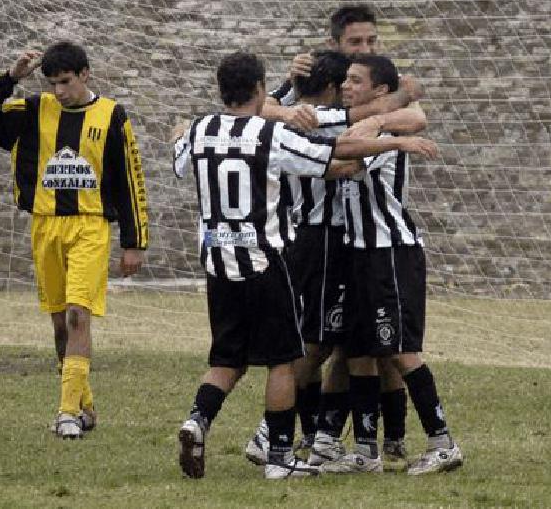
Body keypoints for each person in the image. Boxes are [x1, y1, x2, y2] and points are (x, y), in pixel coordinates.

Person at [173, 51, 438, 480]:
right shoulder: (269, 135)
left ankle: (196, 421)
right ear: (260, 90)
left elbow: (180, 158)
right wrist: (394, 141)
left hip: (217, 263)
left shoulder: (200, 131)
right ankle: (278, 454)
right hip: (267, 257)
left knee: (227, 360)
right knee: (285, 359)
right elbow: (340, 152)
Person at [249, 4, 417, 472]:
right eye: (355, 43)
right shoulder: (316, 99)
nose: (365, 50)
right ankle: (281, 432)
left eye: (371, 42)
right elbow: (256, 108)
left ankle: (366, 439)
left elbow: (416, 111)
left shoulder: (375, 84)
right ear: (334, 46)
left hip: (361, 238)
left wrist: (388, 107)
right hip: (323, 236)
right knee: (323, 339)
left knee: (362, 341)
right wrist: (291, 103)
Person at [0, 41, 149, 439]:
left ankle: (66, 412)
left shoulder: (112, 115)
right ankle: (84, 407)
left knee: (77, 314)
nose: (59, 92)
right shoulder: (32, 111)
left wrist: (134, 242)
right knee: (59, 326)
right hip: (46, 226)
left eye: (65, 82)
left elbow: (129, 181)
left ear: (85, 74)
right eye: (52, 84)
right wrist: (11, 78)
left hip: (89, 227)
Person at [318, 54, 463, 475]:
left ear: (379, 91)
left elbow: (341, 164)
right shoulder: (368, 123)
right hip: (360, 252)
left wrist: (378, 126)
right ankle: (365, 450)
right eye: (345, 79)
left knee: (400, 349)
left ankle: (442, 441)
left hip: (391, 253)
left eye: (356, 81)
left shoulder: (382, 135)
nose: (346, 86)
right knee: (360, 349)